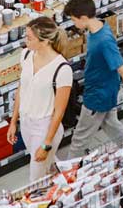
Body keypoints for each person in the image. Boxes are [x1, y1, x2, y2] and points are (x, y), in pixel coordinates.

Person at [64, 0, 123, 159]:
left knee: (79, 139)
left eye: (74, 20)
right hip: (105, 89)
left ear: (83, 18)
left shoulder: (103, 41)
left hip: (98, 96)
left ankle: (68, 175)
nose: (74, 24)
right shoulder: (98, 28)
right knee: (111, 125)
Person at [6, 16, 73, 182]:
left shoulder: (62, 69)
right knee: (46, 166)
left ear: (44, 42)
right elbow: (22, 88)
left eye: (29, 38)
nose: (25, 40)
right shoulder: (26, 55)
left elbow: (59, 112)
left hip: (45, 127)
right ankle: (64, 185)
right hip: (27, 123)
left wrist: (47, 144)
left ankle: (37, 206)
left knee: (35, 178)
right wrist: (14, 121)